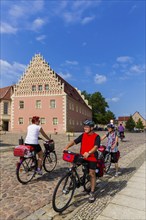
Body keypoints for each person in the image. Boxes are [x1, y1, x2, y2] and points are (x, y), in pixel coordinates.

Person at [64, 120, 100, 203]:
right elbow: (74, 141)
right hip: (82, 156)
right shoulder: (83, 135)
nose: (85, 128)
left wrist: (89, 152)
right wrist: (67, 147)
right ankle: (71, 184)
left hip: (92, 157)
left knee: (92, 173)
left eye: (87, 127)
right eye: (84, 127)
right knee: (72, 167)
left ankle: (92, 192)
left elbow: (96, 147)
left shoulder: (96, 136)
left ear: (91, 128)